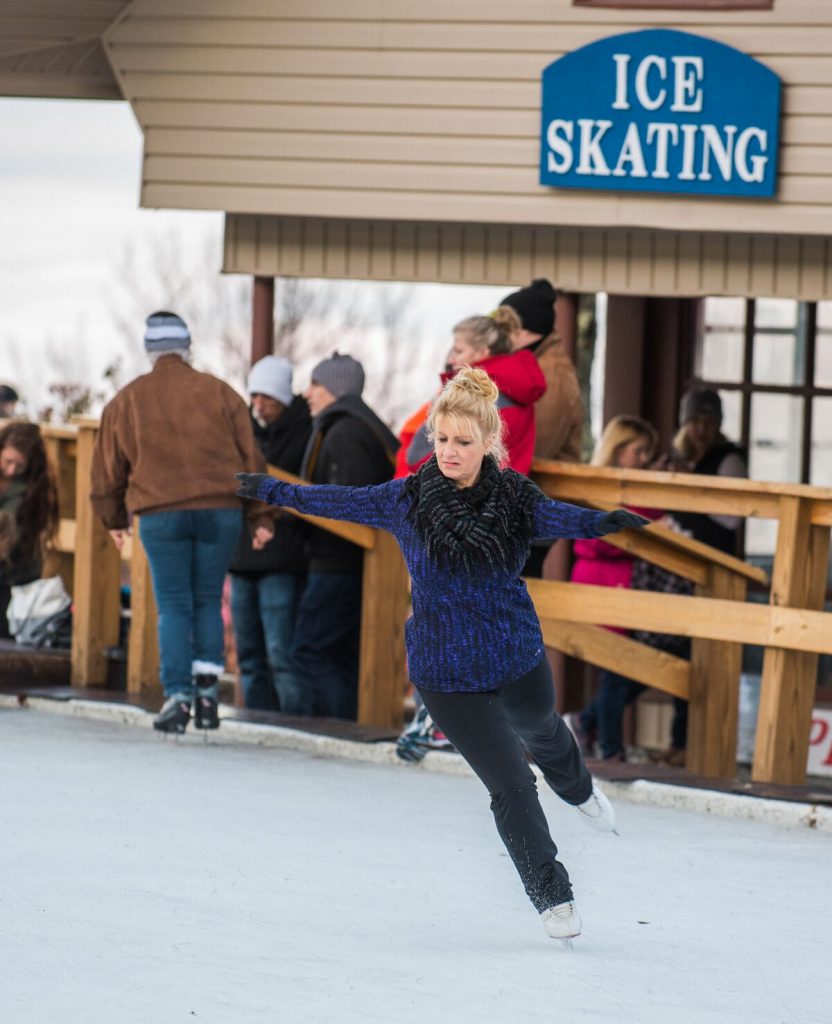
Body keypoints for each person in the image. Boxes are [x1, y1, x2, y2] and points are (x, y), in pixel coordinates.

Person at [236, 366, 650, 942]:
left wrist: (604, 523)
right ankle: (553, 896)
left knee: (542, 728)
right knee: (511, 783)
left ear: (489, 442)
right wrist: (274, 491)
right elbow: (336, 499)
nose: (450, 451)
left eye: (463, 441)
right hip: (444, 671)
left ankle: (579, 790)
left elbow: (560, 516)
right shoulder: (406, 499)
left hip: (513, 653)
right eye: (442, 439)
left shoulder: (515, 498)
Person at [90, 311, 269, 734]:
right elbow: (251, 458)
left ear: (150, 350)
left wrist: (113, 517)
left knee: (173, 605)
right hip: (220, 509)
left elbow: (106, 470)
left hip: (160, 511)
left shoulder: (126, 400)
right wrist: (261, 516)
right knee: (207, 599)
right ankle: (207, 696)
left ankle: (177, 697)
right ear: (187, 347)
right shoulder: (220, 392)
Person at [292, 352, 399, 719]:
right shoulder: (354, 428)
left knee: (310, 649)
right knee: (341, 653)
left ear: (336, 388)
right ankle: (348, 721)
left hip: (338, 564)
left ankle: (338, 726)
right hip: (347, 563)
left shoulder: (345, 434)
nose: (307, 393)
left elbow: (349, 504)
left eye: (315, 384)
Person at [652, 386, 748, 764]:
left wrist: (685, 486)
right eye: (695, 421)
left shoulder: (729, 458)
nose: (702, 430)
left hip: (715, 572)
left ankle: (694, 746)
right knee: (677, 651)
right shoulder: (680, 456)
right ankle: (680, 743)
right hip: (678, 569)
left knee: (704, 658)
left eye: (709, 422)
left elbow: (728, 521)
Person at [564, 416, 662, 762]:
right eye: (639, 451)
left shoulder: (626, 487)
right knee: (617, 669)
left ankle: (587, 724)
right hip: (603, 584)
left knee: (627, 668)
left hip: (617, 583)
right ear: (619, 450)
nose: (644, 459)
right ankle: (611, 748)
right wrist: (654, 524)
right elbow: (601, 539)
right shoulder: (600, 487)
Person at [227, 356, 312, 712]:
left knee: (281, 654)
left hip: (283, 560)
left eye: (267, 397)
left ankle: (294, 723)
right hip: (242, 558)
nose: (258, 404)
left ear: (283, 398)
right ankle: (254, 720)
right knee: (248, 654)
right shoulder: (239, 432)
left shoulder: (305, 432)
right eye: (254, 396)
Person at [500, 279, 584, 580]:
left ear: (524, 332)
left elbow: (535, 445)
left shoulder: (551, 376)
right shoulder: (536, 366)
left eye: (505, 327)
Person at [398, 308, 545, 477]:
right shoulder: (518, 386)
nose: (452, 359)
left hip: (464, 490)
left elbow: (417, 458)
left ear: (482, 352)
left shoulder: (472, 394)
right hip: (507, 489)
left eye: (459, 351)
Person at [0, 423, 58, 637]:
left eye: (19, 466)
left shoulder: (33, 493)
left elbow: (15, 540)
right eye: (8, 461)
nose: (11, 470)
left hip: (14, 574)